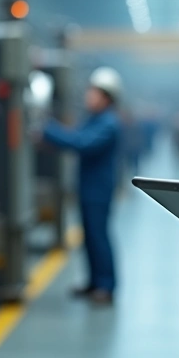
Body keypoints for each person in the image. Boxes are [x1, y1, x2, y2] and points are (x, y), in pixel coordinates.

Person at [42, 66, 124, 305]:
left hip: (98, 190)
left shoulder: (108, 123)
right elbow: (75, 138)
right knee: (89, 237)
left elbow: (81, 143)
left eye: (93, 92)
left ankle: (107, 286)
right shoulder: (95, 120)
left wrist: (48, 129)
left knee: (99, 236)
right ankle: (94, 283)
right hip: (88, 188)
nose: (88, 96)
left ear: (106, 97)